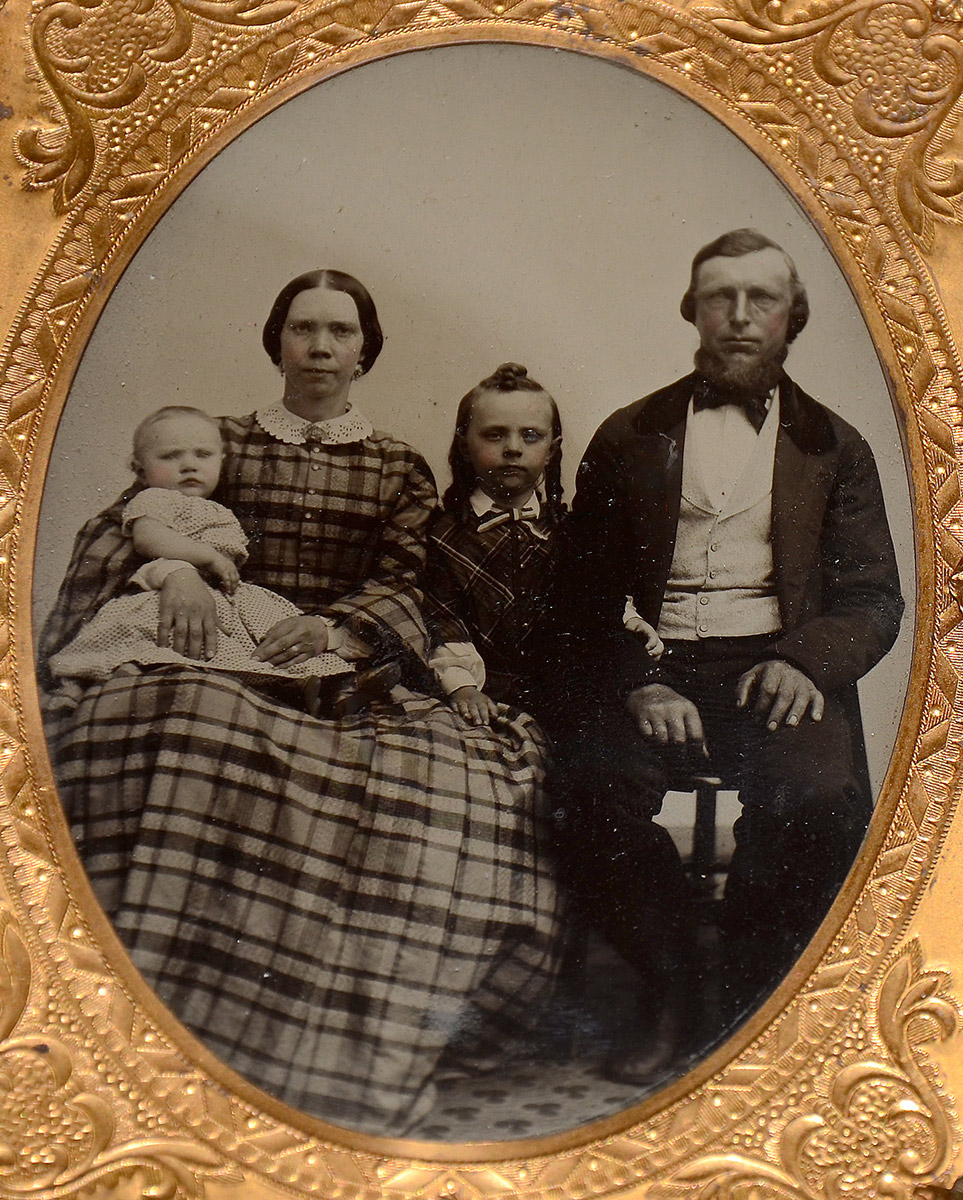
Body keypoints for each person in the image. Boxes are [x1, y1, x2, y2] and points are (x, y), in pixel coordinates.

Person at [39, 270, 564, 1135]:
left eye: (340, 333)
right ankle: (146, 1022)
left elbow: (409, 579)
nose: (321, 348)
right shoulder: (218, 442)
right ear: (276, 342)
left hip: (343, 668)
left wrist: (336, 629)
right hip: (215, 645)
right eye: (303, 329)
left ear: (365, 352)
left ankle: (335, 1044)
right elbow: (132, 519)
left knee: (451, 775)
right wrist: (175, 573)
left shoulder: (396, 466)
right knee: (188, 721)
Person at [547, 229, 904, 1082]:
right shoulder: (628, 434)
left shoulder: (835, 445)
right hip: (655, 664)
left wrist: (803, 663)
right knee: (584, 792)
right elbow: (576, 596)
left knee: (817, 798)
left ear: (791, 318)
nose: (739, 316)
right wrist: (638, 682)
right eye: (720, 297)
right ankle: (672, 989)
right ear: (693, 310)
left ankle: (747, 994)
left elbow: (872, 598)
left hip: (773, 667)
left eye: (760, 298)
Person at [47, 405, 353, 692]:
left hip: (227, 597)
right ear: (140, 471)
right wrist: (207, 557)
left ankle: (311, 683)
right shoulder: (155, 499)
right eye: (170, 456)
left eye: (203, 455)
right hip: (164, 591)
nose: (189, 465)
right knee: (172, 642)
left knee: (271, 634)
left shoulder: (216, 508)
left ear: (221, 461)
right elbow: (149, 538)